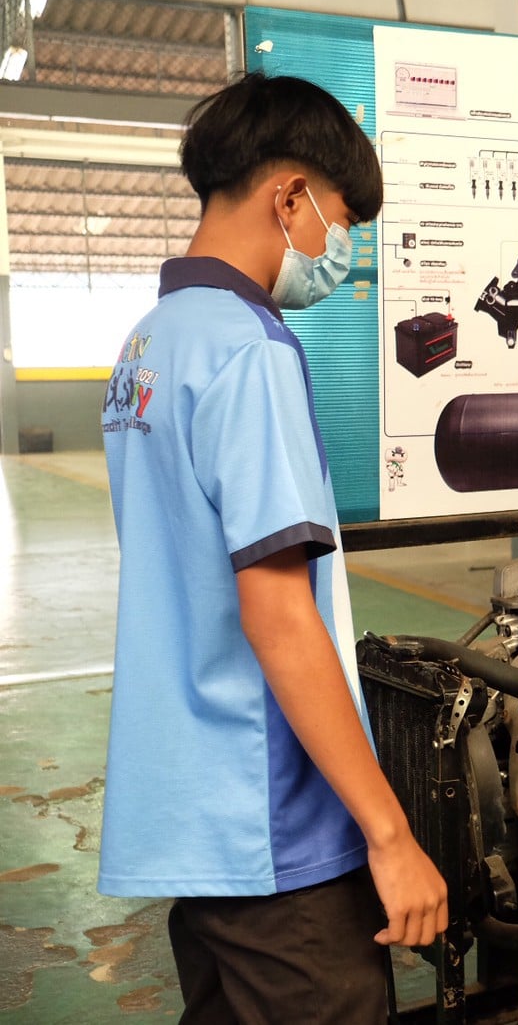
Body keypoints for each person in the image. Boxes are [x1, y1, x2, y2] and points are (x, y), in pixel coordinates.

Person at [99, 72, 446, 1023]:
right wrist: (388, 833)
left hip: (190, 814)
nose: (344, 248)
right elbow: (280, 617)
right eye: (343, 217)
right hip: (275, 824)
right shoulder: (251, 350)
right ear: (289, 197)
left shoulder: (149, 343)